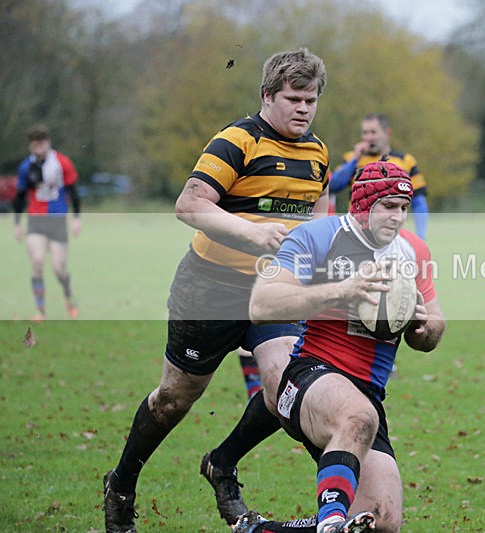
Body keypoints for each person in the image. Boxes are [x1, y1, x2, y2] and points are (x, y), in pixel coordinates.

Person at [103, 48, 330, 532]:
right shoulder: (237, 141)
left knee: (284, 384)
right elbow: (189, 204)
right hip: (209, 290)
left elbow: (320, 217)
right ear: (267, 95)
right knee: (174, 399)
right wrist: (254, 234)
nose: (303, 108)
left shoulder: (318, 154)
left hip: (272, 291)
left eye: (311, 99)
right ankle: (122, 481)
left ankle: (222, 463)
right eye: (293, 98)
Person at [233, 161, 446, 533]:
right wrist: (342, 290)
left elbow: (433, 331)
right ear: (362, 206)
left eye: (403, 208)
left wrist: (419, 324)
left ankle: (262, 530)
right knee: (358, 418)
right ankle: (330, 522)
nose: (397, 217)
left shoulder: (414, 251)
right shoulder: (319, 236)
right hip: (309, 376)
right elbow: (261, 306)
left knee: (381, 522)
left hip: (367, 393)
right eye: (388, 206)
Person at [12, 125, 81, 321]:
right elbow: (19, 196)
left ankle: (69, 299)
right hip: (35, 220)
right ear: (30, 147)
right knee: (37, 263)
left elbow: (73, 191)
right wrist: (17, 223)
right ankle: (41, 310)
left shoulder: (62, 163)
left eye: (41, 145)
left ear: (48, 144)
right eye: (34, 146)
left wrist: (76, 218)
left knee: (59, 267)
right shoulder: (26, 166)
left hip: (57, 220)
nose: (38, 150)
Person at [327, 113, 429, 240]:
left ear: (387, 132)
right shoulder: (351, 158)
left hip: (391, 233)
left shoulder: (406, 161)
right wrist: (354, 160)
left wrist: (421, 236)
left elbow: (419, 201)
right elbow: (333, 187)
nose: (368, 137)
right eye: (365, 133)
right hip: (356, 232)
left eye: (373, 132)